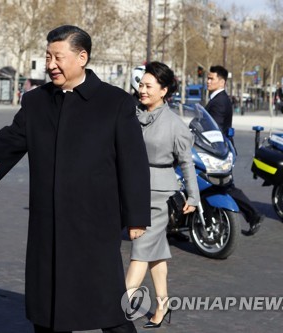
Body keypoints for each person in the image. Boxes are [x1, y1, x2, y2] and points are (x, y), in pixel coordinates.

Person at [0, 25, 151, 333]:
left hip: (95, 225)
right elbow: (11, 139)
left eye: (57, 57)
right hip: (47, 225)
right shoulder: (36, 102)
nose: (50, 65)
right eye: (47, 56)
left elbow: (134, 163)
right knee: (48, 310)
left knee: (110, 308)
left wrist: (137, 216)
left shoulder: (115, 103)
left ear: (82, 57)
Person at [125, 62, 200, 329]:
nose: (142, 90)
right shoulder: (133, 114)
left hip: (159, 195)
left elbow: (186, 163)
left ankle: (118, 307)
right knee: (156, 254)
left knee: (141, 250)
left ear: (164, 90)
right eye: (141, 85)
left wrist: (193, 196)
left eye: (148, 86)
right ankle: (163, 305)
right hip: (134, 189)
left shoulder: (175, 125)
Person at [206, 65, 263, 236]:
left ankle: (251, 214)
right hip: (220, 149)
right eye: (207, 78)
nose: (207, 81)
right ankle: (251, 214)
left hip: (217, 151)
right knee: (225, 186)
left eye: (211, 79)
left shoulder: (219, 101)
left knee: (222, 186)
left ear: (221, 81)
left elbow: (215, 129)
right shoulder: (219, 98)